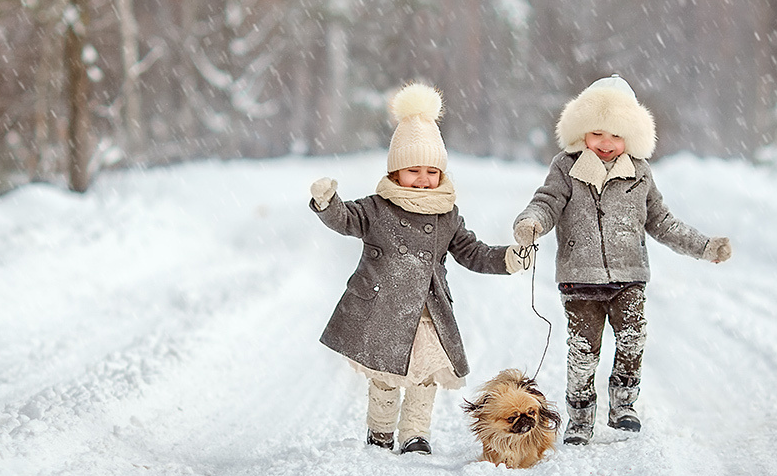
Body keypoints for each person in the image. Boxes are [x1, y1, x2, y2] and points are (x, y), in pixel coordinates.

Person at [510, 75, 732, 445]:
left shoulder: (639, 173)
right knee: (584, 351)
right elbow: (546, 202)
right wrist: (531, 223)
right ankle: (580, 418)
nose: (606, 143)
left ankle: (623, 405)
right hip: (580, 279)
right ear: (581, 133)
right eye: (597, 133)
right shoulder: (566, 168)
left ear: (632, 136)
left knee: (632, 339)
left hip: (629, 278)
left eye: (616, 135)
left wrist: (705, 246)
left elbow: (661, 221)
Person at [309, 82, 527, 455]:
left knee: (425, 378)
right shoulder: (377, 208)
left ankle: (415, 433)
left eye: (431, 171)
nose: (424, 179)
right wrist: (328, 202)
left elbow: (470, 251)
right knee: (386, 379)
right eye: (413, 171)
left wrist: (507, 258)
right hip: (383, 310)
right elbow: (346, 220)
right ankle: (380, 431)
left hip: (427, 312)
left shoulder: (446, 214)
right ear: (395, 174)